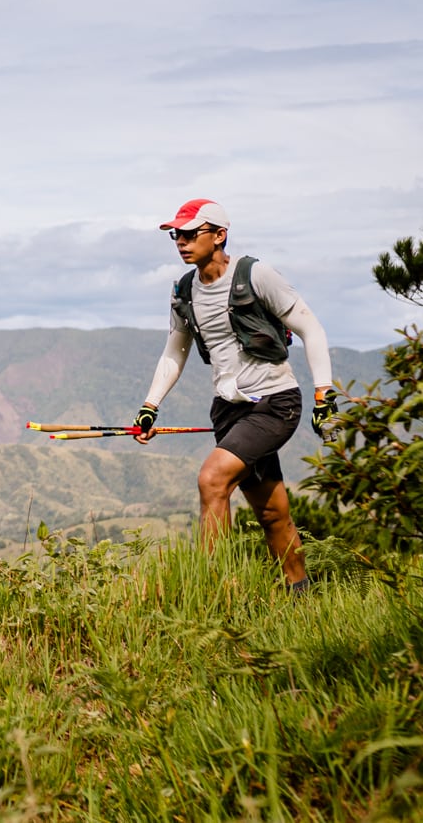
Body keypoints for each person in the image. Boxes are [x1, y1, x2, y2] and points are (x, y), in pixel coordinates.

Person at [132, 199, 336, 592]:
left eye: (191, 233)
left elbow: (313, 329)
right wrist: (149, 406)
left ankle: (211, 594)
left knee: (212, 480)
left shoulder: (256, 274)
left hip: (275, 402)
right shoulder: (184, 290)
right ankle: (303, 595)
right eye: (177, 234)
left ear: (219, 235)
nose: (181, 241)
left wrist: (323, 393)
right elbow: (175, 349)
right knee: (273, 514)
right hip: (227, 410)